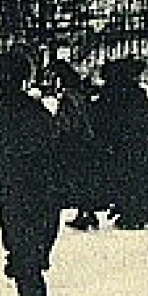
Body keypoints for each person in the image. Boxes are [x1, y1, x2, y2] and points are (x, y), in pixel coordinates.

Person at [0, 52, 61, 296]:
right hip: (44, 197)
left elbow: (8, 162)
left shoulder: (0, 115)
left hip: (19, 198)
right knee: (29, 267)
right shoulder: (36, 111)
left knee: (26, 268)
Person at [92, 58, 148, 230]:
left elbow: (99, 117)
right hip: (139, 144)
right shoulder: (136, 92)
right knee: (135, 180)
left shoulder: (111, 93)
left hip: (121, 146)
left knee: (124, 179)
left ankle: (128, 213)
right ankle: (133, 214)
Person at [47, 61, 106, 231]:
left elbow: (67, 122)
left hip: (75, 143)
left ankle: (85, 215)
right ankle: (88, 214)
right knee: (85, 179)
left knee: (78, 179)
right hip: (86, 142)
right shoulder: (79, 93)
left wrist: (55, 131)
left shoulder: (69, 97)